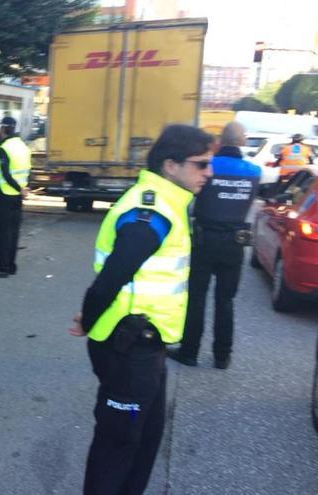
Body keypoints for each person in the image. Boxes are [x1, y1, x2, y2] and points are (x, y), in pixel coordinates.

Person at [68, 124, 214, 494]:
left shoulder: (168, 203)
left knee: (146, 439)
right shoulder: (151, 209)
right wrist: (88, 317)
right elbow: (113, 275)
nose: (208, 174)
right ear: (171, 165)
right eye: (201, 165)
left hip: (147, 343)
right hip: (128, 346)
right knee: (119, 443)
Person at [168, 122, 260, 370]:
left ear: (220, 140)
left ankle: (189, 352)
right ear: (242, 142)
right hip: (235, 244)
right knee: (226, 300)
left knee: (196, 298)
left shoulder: (209, 167)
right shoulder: (253, 171)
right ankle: (222, 356)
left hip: (204, 240)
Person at [0, 116, 31, 278]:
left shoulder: (4, 148)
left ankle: (2, 267)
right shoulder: (24, 147)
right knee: (13, 233)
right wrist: (23, 189)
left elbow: (5, 174)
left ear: (3, 129)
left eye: (0, 129)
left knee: (3, 234)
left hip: (3, 196)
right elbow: (27, 171)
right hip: (17, 198)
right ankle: (11, 265)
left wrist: (19, 188)